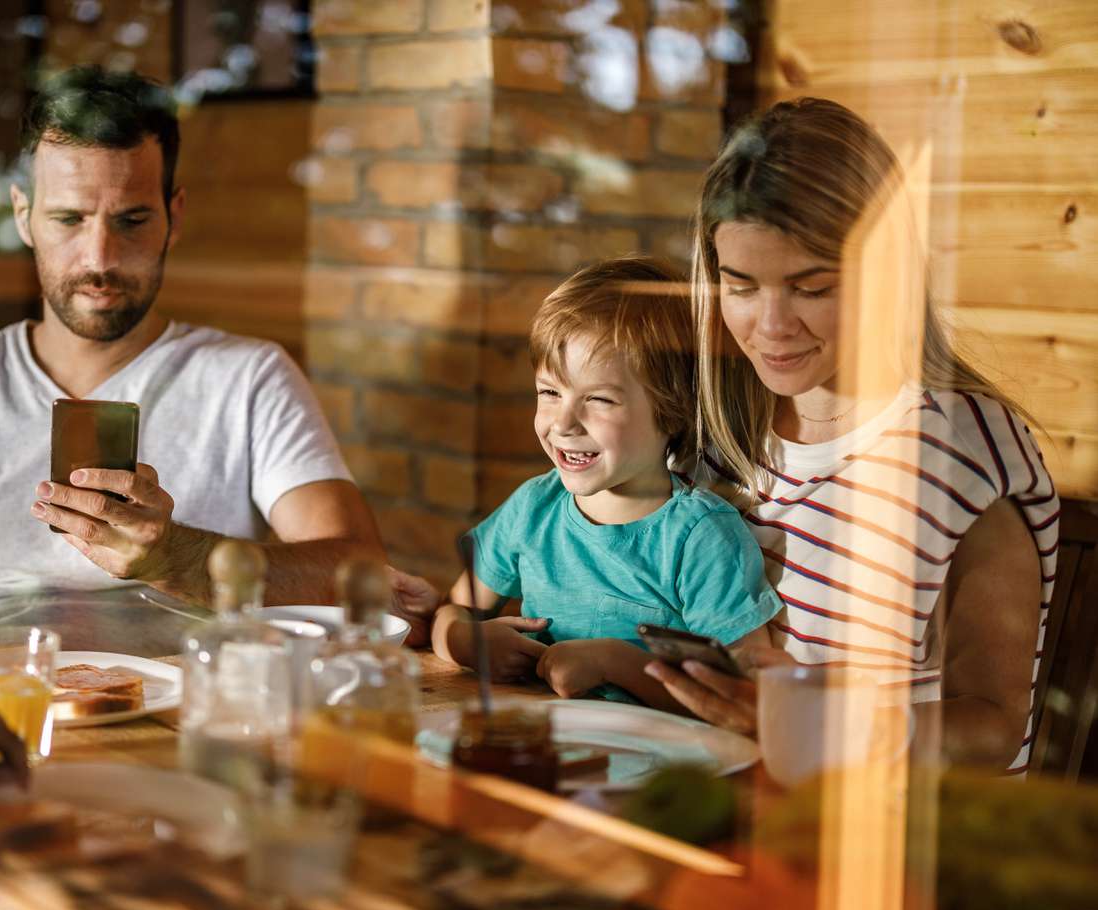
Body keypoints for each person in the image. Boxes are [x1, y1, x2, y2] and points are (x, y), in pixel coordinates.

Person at [646, 97, 1058, 771]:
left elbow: (992, 727)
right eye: (742, 287)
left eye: (812, 288)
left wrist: (806, 726)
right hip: (731, 795)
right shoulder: (718, 431)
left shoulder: (962, 451)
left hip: (892, 842)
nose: (771, 327)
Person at [0, 68, 383, 642]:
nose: (100, 257)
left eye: (132, 220)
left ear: (175, 217)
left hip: (182, 704)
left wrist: (179, 558)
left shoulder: (246, 377)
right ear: (23, 216)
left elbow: (362, 571)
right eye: (69, 218)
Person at [430, 257, 781, 706]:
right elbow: (453, 609)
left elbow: (743, 696)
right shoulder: (533, 508)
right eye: (550, 392)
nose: (564, 423)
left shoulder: (702, 537)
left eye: (598, 399)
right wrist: (467, 642)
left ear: (671, 411)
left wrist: (617, 663)